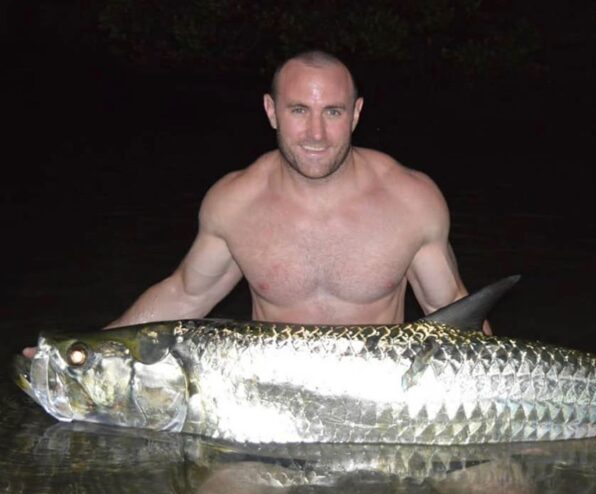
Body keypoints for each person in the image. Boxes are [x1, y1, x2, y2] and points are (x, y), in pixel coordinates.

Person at [23, 50, 481, 359]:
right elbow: (185, 293)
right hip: (270, 405)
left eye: (333, 112)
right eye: (299, 110)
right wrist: (85, 354)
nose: (316, 134)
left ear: (357, 114)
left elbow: (457, 312)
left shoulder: (411, 199)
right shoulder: (236, 203)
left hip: (386, 403)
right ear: (271, 111)